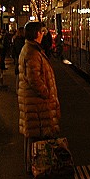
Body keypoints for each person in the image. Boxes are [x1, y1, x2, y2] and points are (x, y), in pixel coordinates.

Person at [17, 21, 61, 171]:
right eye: (41, 32)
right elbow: (34, 78)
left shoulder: (30, 49)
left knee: (32, 136)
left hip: (32, 102)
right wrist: (46, 93)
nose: (43, 34)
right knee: (36, 136)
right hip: (36, 103)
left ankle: (32, 165)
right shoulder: (32, 52)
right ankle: (36, 166)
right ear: (36, 34)